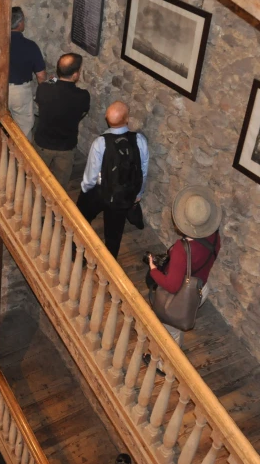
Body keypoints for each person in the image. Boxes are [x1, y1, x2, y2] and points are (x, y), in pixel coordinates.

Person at [148, 186, 222, 349]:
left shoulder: (183, 249)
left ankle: (162, 365)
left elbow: (172, 286)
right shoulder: (215, 236)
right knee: (178, 324)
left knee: (170, 333)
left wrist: (153, 269)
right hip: (200, 288)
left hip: (182, 294)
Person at [76, 101, 149, 259]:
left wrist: (85, 191)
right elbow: (143, 170)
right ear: (127, 119)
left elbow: (91, 175)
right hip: (123, 195)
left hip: (101, 191)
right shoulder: (139, 140)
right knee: (114, 235)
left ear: (106, 119)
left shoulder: (100, 143)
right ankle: (108, 266)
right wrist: (138, 193)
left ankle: (77, 253)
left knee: (80, 220)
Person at [33, 53, 91, 190]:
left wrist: (54, 80)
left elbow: (48, 83)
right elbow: (83, 112)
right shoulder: (83, 96)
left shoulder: (44, 89)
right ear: (76, 75)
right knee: (60, 186)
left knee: (35, 178)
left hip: (43, 142)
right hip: (66, 146)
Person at [9, 7, 47, 138]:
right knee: (24, 128)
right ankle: (20, 158)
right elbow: (41, 75)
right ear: (20, 23)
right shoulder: (30, 46)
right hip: (19, 92)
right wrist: (43, 94)